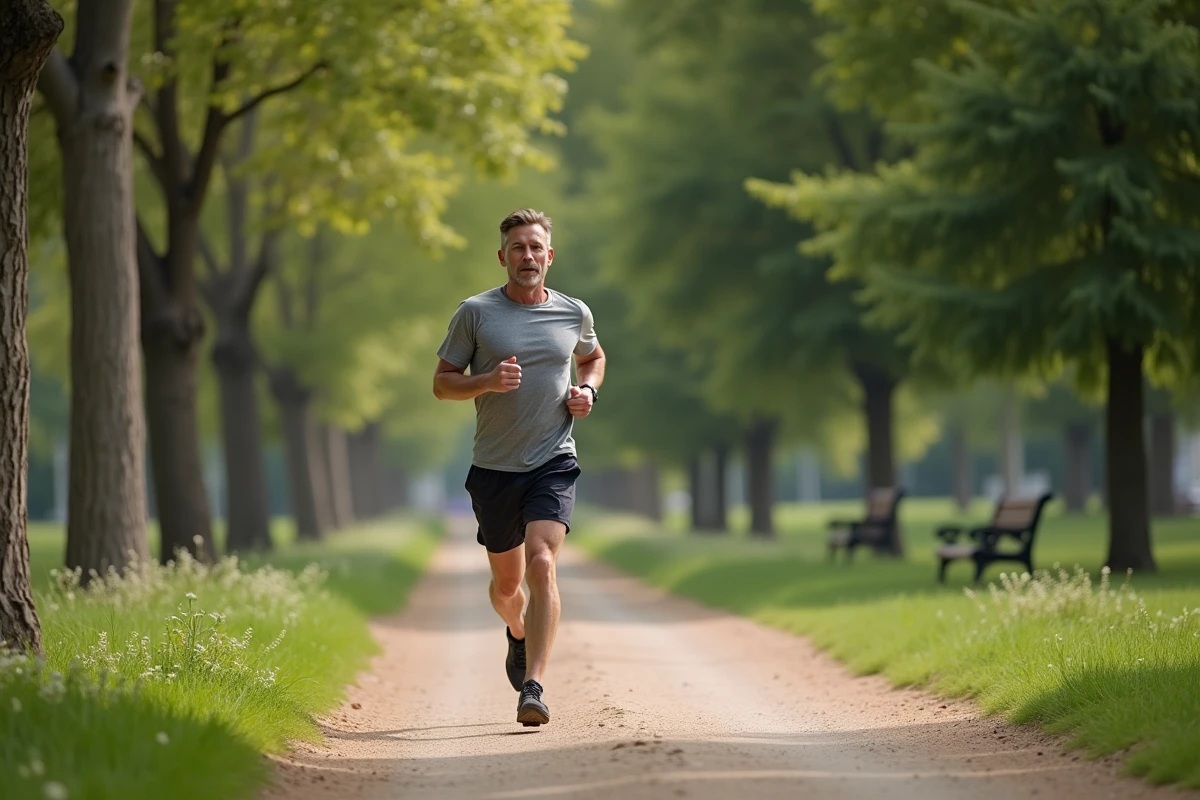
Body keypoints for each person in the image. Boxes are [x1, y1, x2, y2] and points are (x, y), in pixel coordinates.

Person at [432, 208, 606, 727]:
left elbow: (594, 357)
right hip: (495, 468)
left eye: (536, 248)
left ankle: (534, 686)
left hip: (553, 459)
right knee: (508, 589)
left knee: (543, 564)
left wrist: (587, 391)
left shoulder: (574, 312)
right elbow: (442, 383)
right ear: (502, 256)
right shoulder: (476, 314)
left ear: (549, 256)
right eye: (518, 248)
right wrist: (484, 382)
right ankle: (516, 631)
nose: (527, 256)